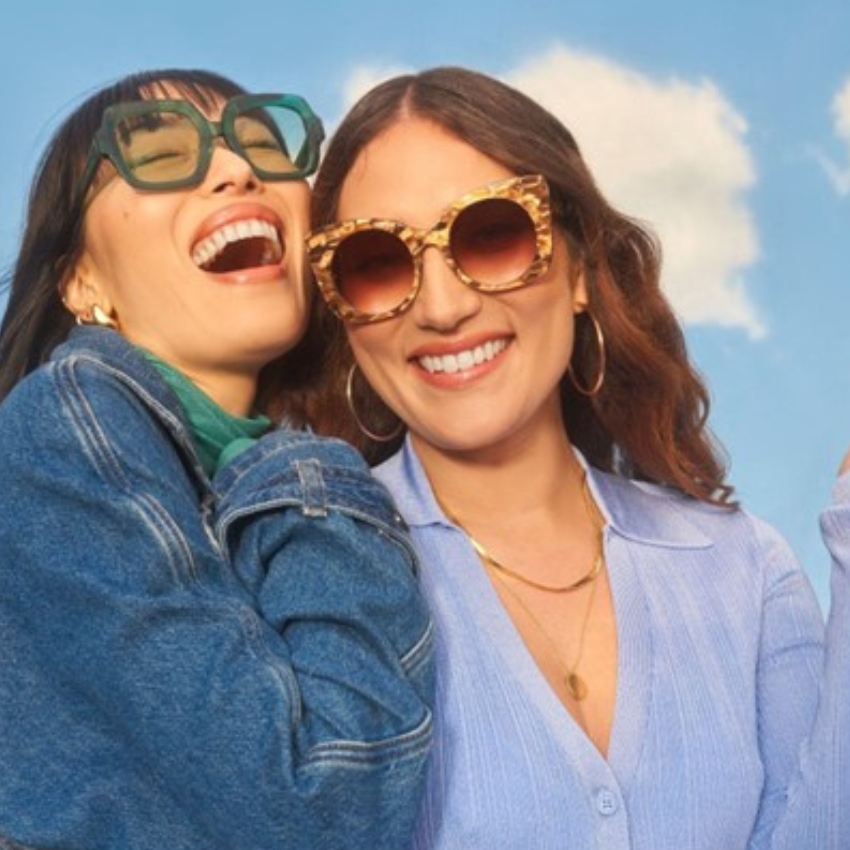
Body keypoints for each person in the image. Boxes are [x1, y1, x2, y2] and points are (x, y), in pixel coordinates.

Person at [305, 66, 850, 849]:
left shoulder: (743, 570)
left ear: (582, 270)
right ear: (343, 314)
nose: (441, 305)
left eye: (491, 233)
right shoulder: (308, 578)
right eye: (375, 263)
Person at [0, 69, 434, 849]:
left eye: (263, 142)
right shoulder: (70, 423)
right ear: (81, 279)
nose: (236, 168)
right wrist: (316, 482)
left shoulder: (246, 468)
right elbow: (321, 809)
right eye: (159, 151)